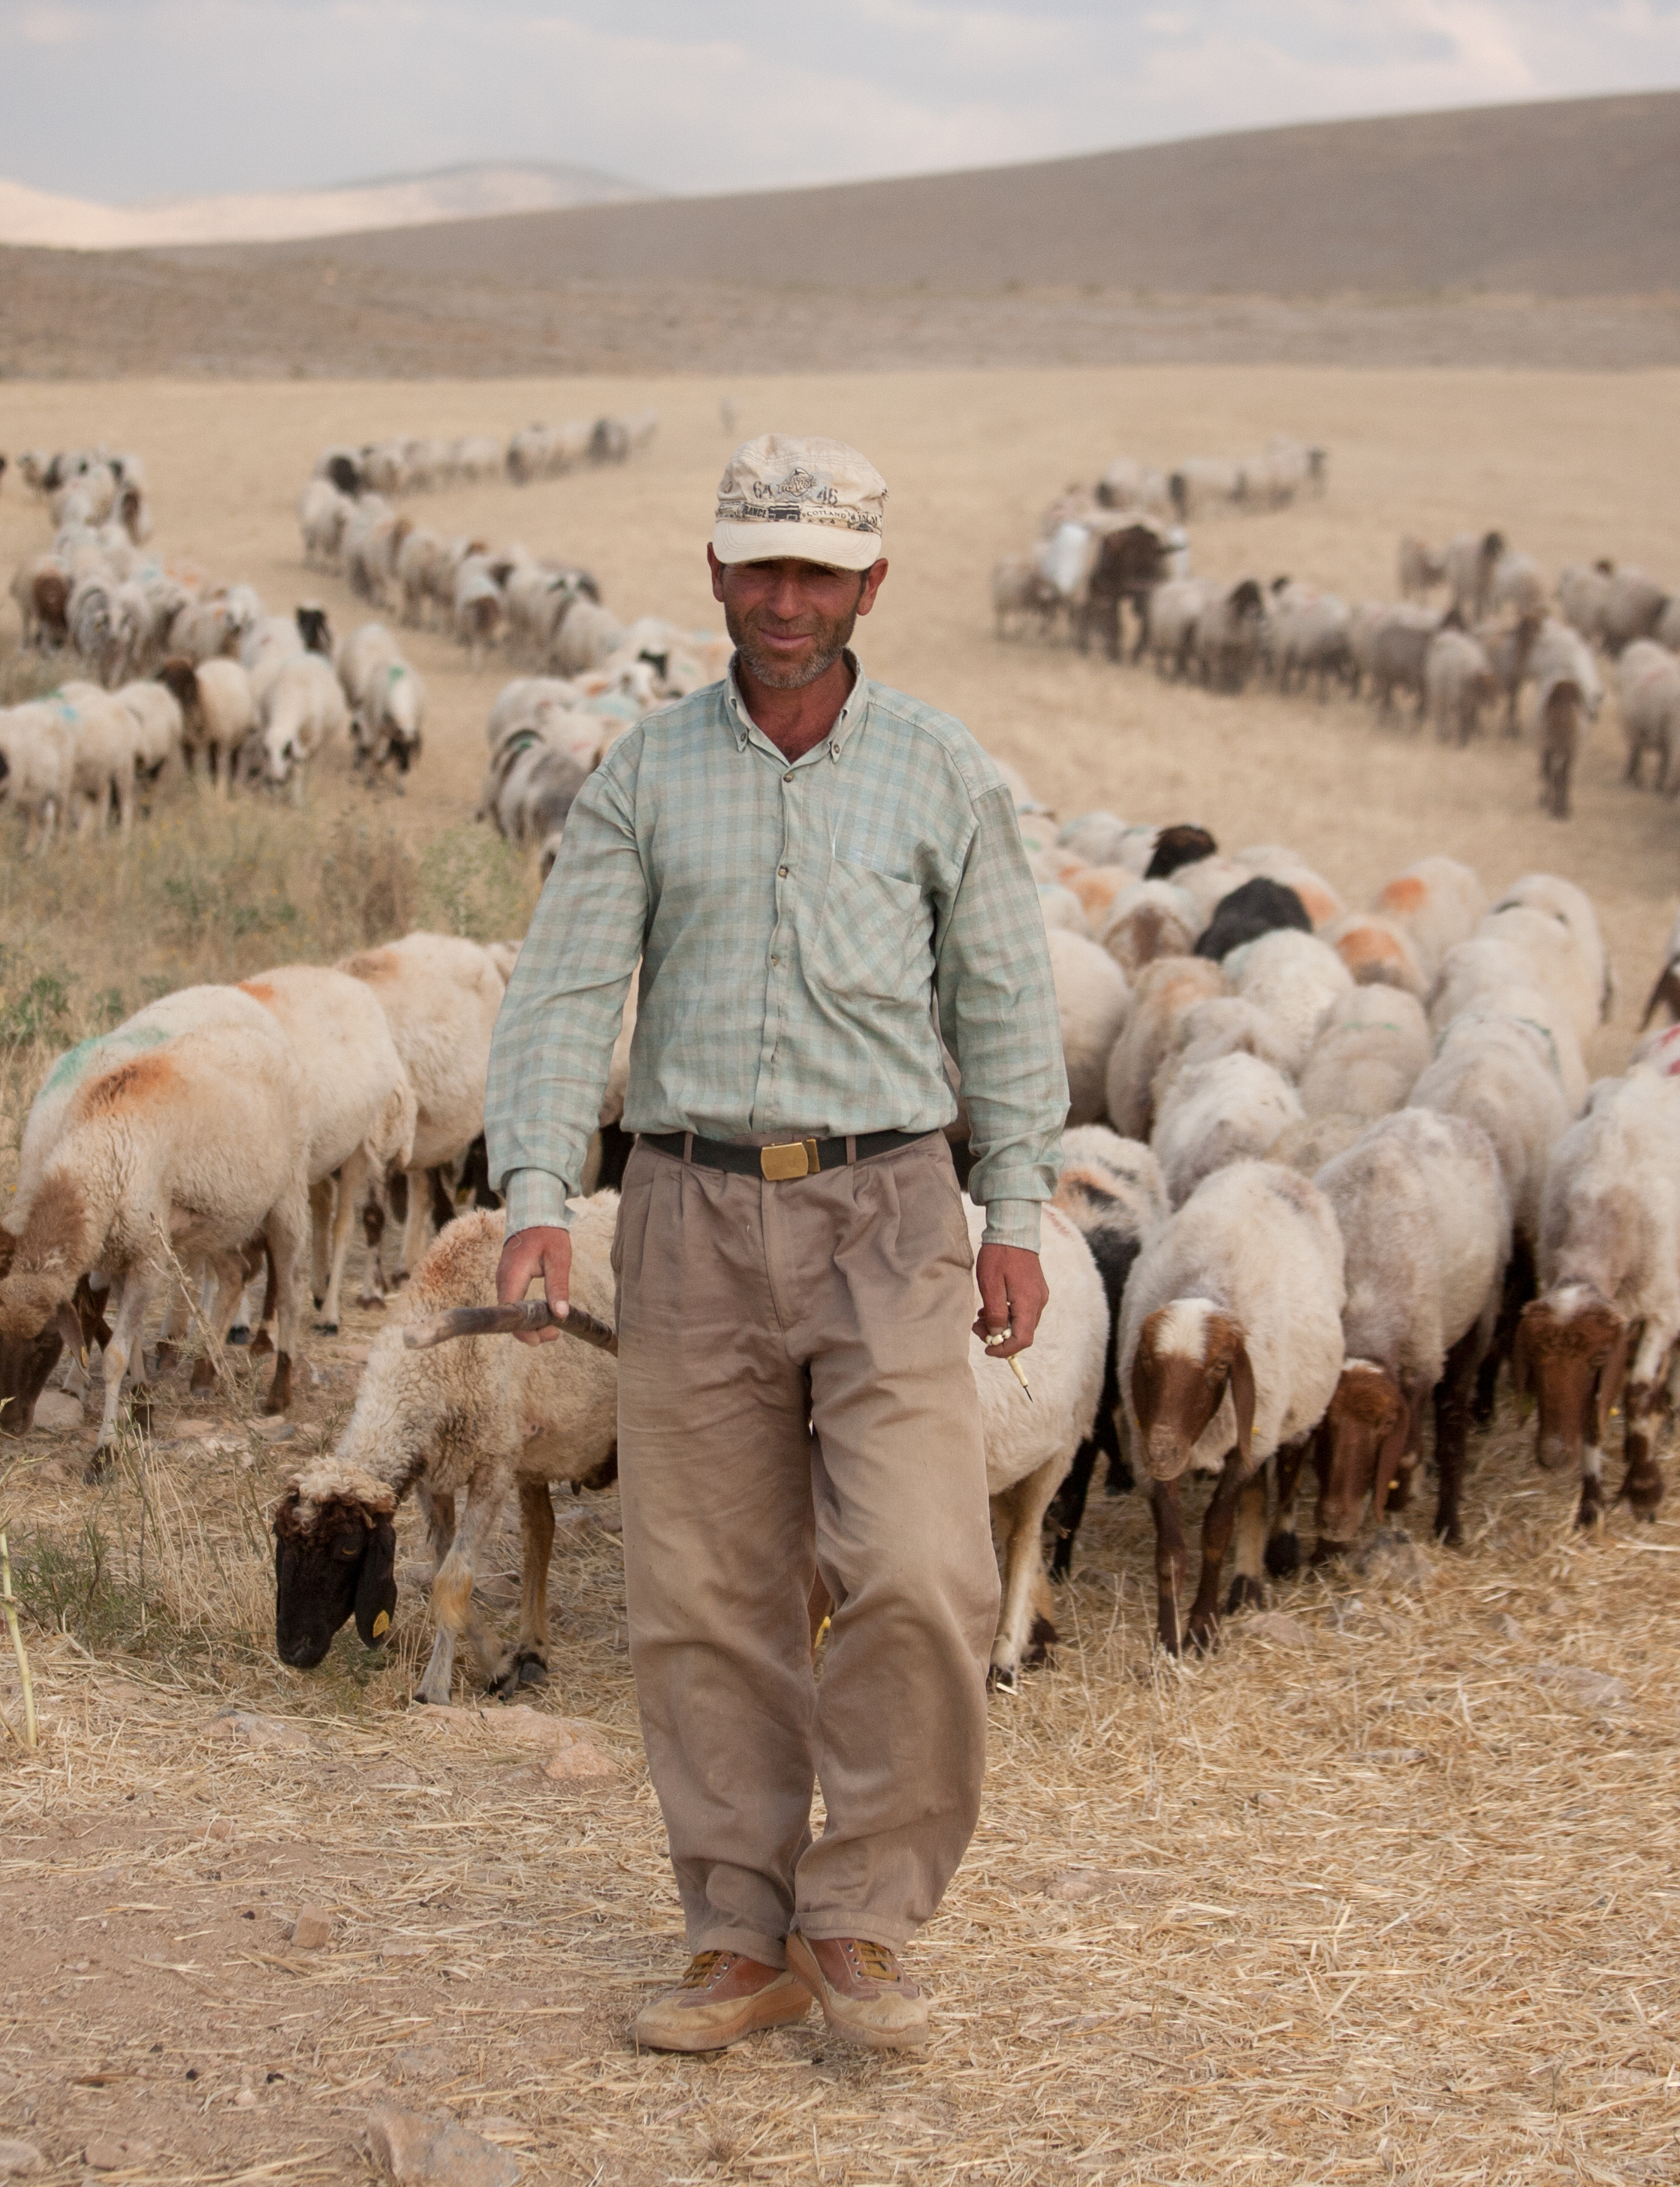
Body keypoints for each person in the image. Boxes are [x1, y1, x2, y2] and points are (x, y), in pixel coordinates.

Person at [479, 435, 1067, 2053]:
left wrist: (1016, 1208)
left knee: (926, 1569)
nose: (787, 598)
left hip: (890, 1209)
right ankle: (742, 1930)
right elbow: (564, 990)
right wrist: (539, 1195)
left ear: (871, 584)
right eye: (762, 566)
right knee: (701, 1585)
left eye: (820, 571)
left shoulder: (941, 770)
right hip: (683, 1216)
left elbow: (1007, 999)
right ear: (717, 572)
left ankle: (866, 1909)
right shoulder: (647, 773)